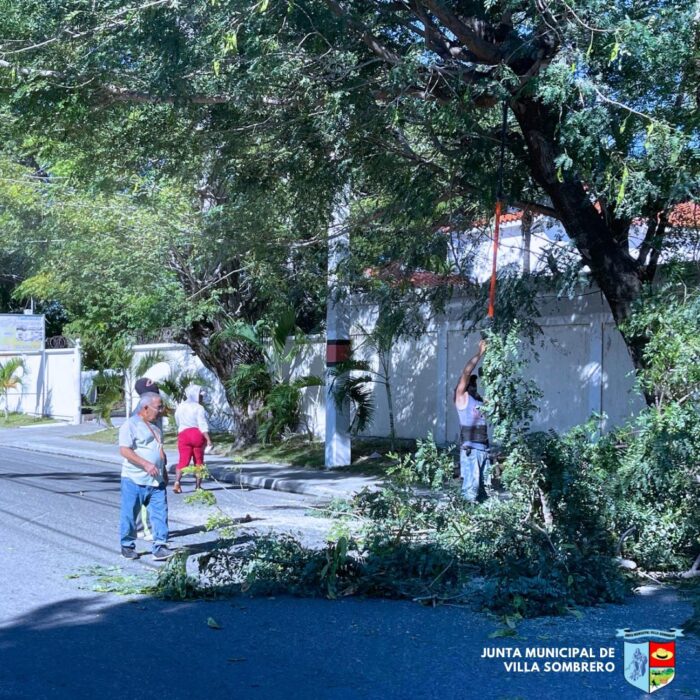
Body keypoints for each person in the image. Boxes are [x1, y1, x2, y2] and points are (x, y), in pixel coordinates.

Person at [118, 391, 174, 560]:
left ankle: (160, 546)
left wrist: (164, 471)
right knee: (129, 514)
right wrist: (146, 464)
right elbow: (124, 450)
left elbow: (159, 450)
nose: (161, 410)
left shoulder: (156, 425)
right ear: (145, 408)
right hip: (134, 479)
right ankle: (127, 546)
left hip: (156, 480)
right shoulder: (130, 425)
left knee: (160, 514)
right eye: (158, 407)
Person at [454, 339, 492, 502]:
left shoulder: (480, 402)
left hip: (484, 451)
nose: (474, 385)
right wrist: (480, 353)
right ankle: (465, 515)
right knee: (470, 492)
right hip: (471, 452)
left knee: (485, 494)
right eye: (471, 382)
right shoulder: (462, 398)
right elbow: (466, 372)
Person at [172, 384, 213, 494]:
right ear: (196, 395)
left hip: (183, 434)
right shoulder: (199, 408)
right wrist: (208, 439)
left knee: (182, 461)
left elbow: (177, 421)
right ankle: (198, 487)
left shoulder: (180, 406)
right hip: (197, 435)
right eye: (200, 396)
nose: (201, 398)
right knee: (199, 461)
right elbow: (202, 424)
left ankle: (177, 482)